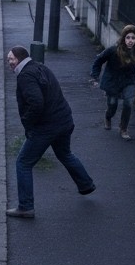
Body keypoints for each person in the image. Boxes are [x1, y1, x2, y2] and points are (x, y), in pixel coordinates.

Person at [6, 45, 96, 218]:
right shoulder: (41, 68)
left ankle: (26, 206)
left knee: (23, 163)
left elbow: (36, 103)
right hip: (64, 120)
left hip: (46, 127)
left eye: (11, 59)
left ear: (19, 58)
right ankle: (86, 184)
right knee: (65, 154)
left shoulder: (25, 76)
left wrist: (28, 123)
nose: (9, 62)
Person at [90, 24, 135, 139]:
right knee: (112, 104)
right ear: (123, 38)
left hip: (129, 81)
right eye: (128, 37)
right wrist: (95, 76)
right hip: (113, 80)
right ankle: (108, 117)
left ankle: (123, 128)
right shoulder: (114, 50)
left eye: (133, 38)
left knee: (128, 103)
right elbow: (99, 60)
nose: (130, 41)